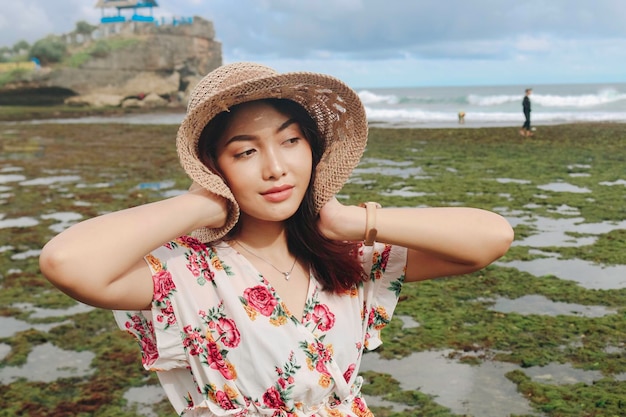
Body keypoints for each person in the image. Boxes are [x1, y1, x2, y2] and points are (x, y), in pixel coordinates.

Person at [39, 62, 514, 417]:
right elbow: (67, 261)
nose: (276, 168)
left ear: (313, 148)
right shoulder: (187, 274)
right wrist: (201, 206)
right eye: (245, 151)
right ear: (213, 167)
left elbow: (491, 237)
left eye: (290, 141)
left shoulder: (349, 257)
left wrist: (351, 221)